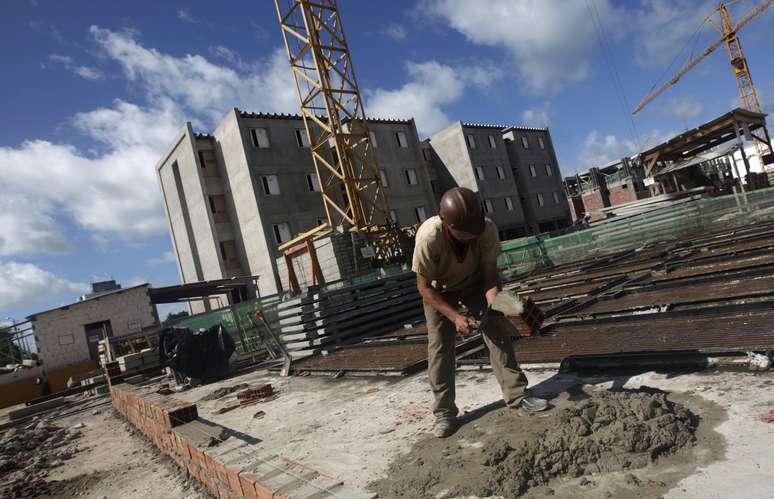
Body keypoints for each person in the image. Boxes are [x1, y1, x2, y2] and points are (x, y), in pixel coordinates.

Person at [412, 187, 548, 438]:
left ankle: (517, 395)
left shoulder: (486, 229)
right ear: (446, 223)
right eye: (465, 234)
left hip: (475, 282)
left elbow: (490, 274)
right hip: (439, 290)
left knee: (497, 330)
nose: (471, 237)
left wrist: (497, 305)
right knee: (440, 346)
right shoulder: (429, 237)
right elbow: (423, 287)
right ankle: (444, 414)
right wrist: (454, 317)